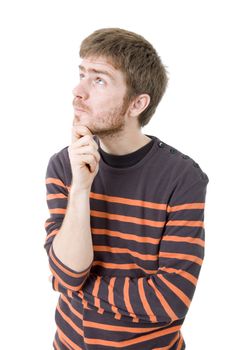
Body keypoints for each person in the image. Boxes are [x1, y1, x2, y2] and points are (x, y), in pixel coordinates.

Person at [44, 28, 209, 350]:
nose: (78, 91)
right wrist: (81, 189)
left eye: (99, 80)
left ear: (137, 104)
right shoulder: (64, 166)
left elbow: (169, 300)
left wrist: (77, 287)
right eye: (82, 75)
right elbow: (67, 272)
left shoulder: (182, 177)